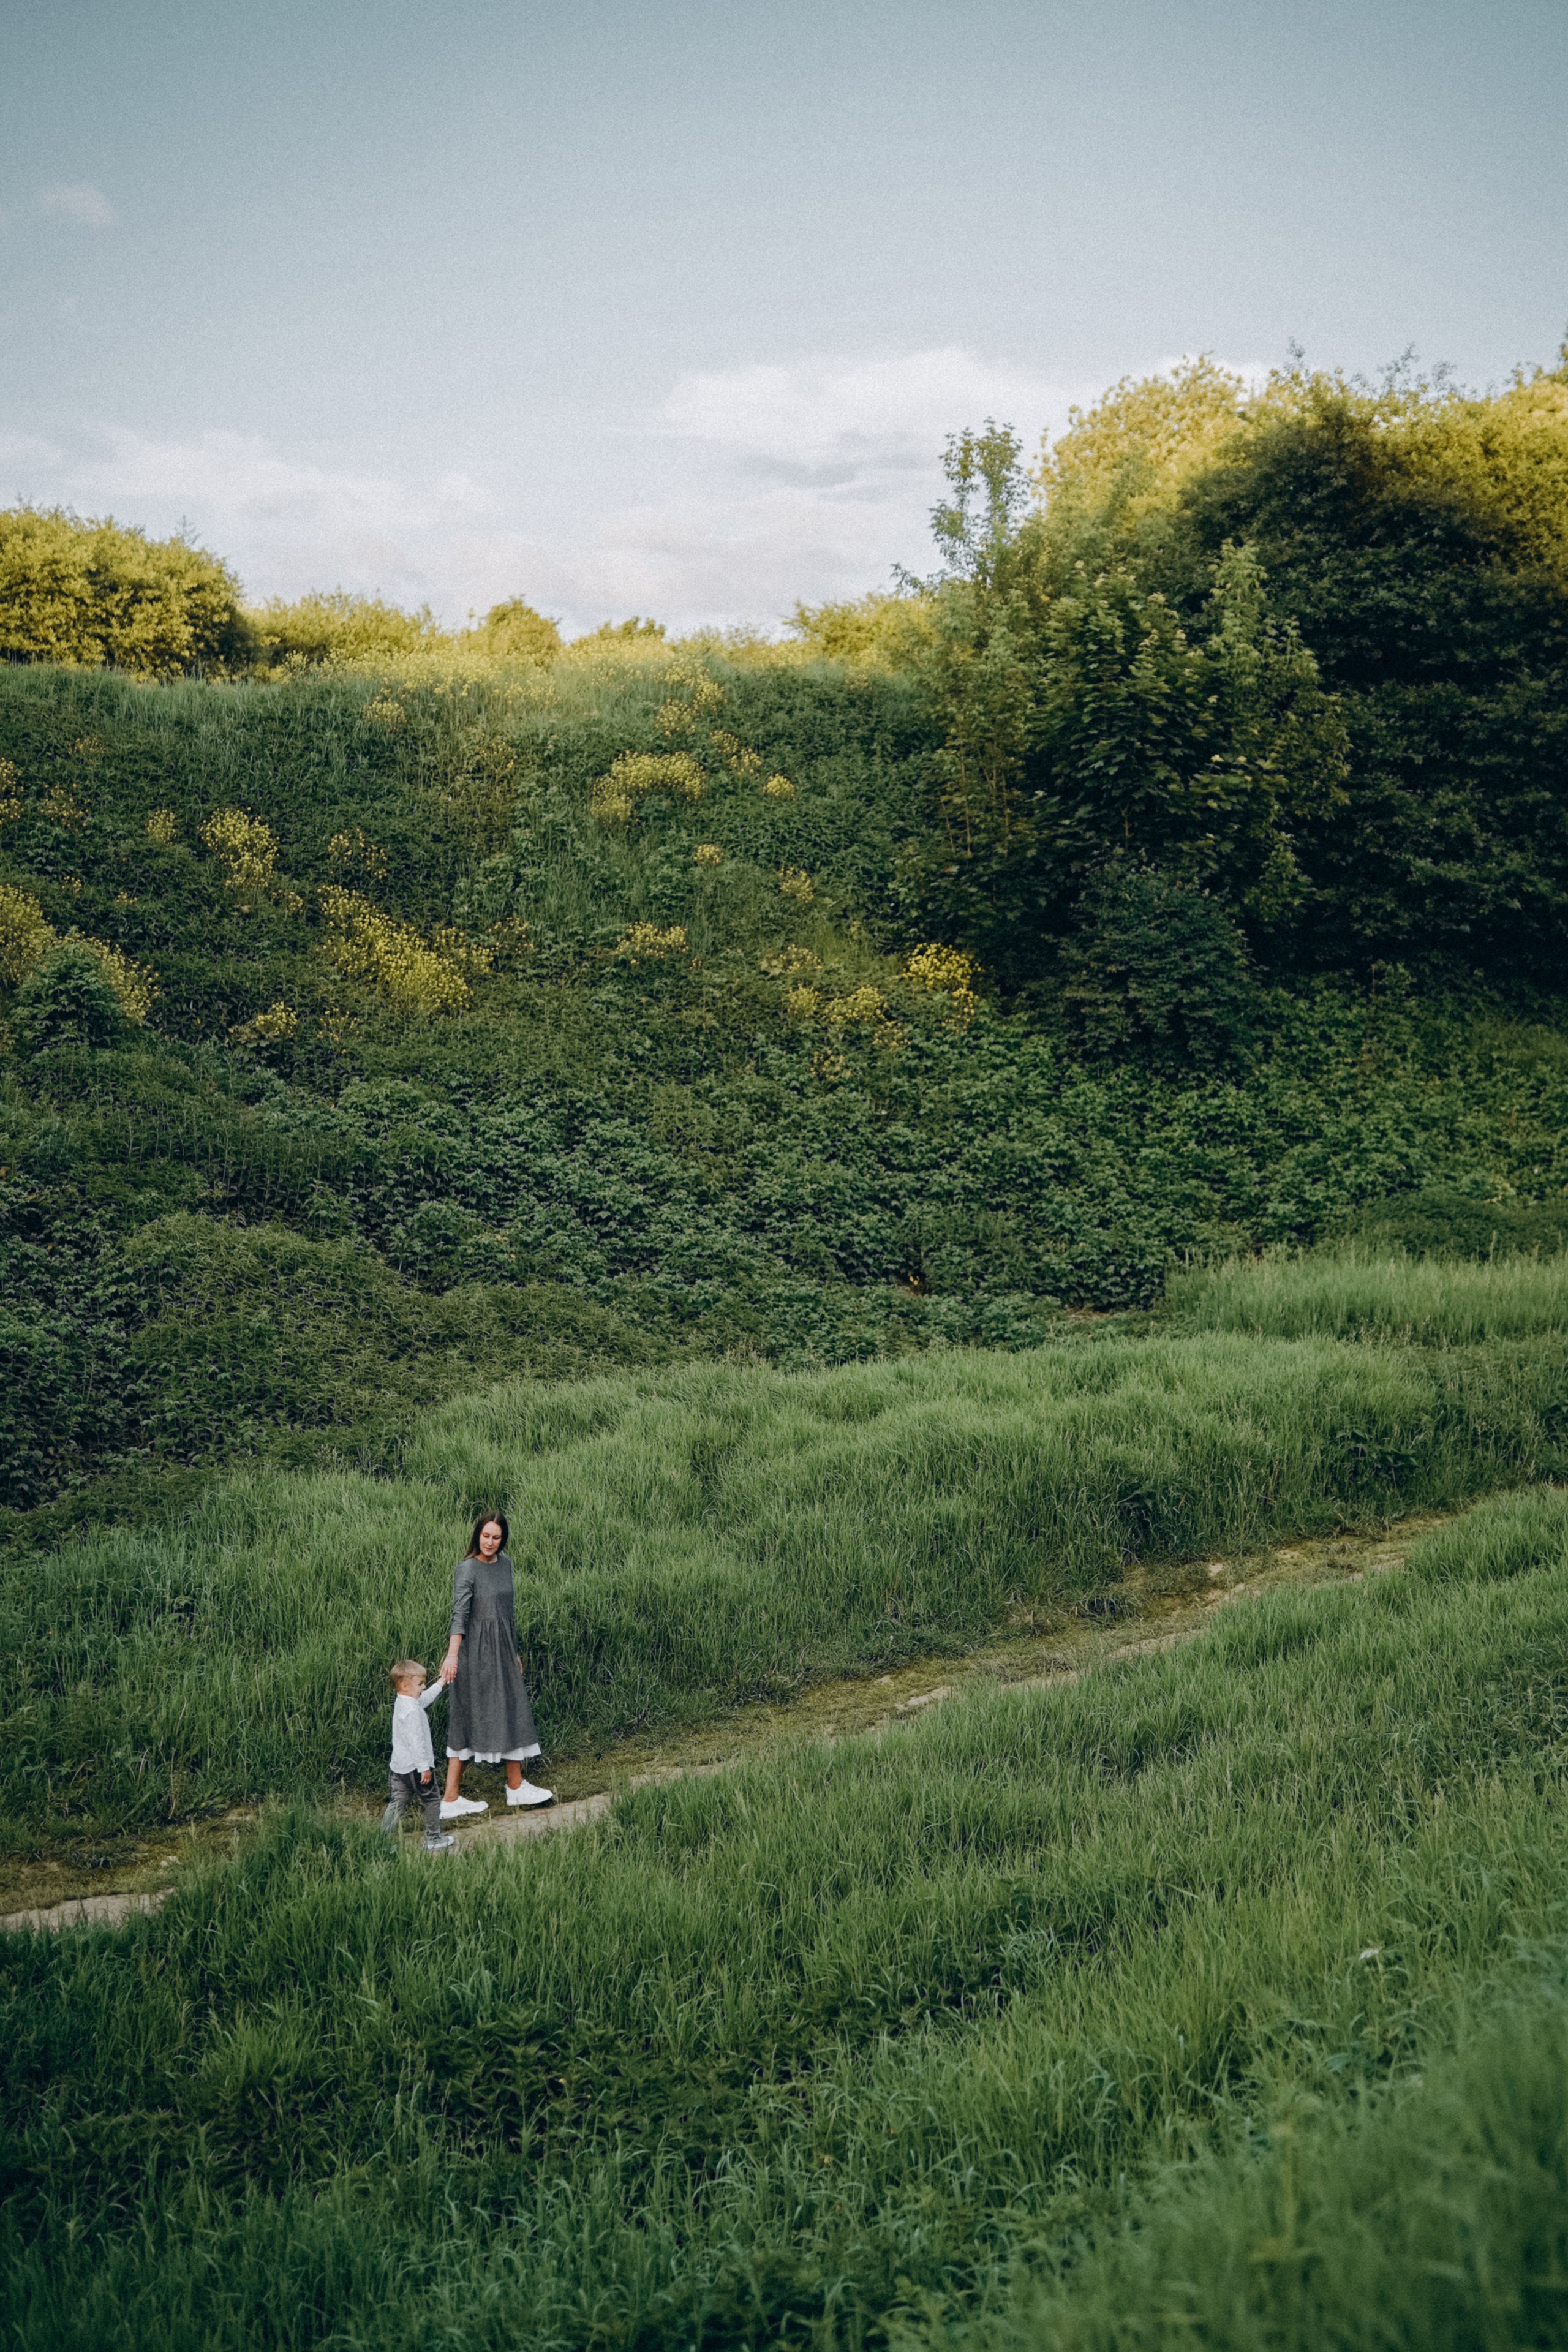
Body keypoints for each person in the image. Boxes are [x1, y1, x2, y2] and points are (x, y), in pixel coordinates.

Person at [439, 1512, 554, 1819]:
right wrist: (453, 1656)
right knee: (467, 1716)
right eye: (486, 1536)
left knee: (512, 1709)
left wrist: (514, 1652)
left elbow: (509, 1612)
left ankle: (516, 1788)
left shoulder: (507, 1565)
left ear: (504, 1539)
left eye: (496, 1537)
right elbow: (459, 1615)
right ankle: (450, 1799)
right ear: (477, 1535)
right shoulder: (466, 1569)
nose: (490, 1542)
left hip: (503, 1650)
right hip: (474, 1652)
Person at [383, 1659, 457, 1851]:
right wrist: (424, 1768)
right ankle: (433, 1838)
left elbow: (423, 1700)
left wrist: (441, 1683)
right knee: (432, 1800)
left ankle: (383, 1840)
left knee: (397, 1802)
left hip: (398, 1767)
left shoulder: (404, 1701)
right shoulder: (412, 1712)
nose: (424, 1687)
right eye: (421, 1684)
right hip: (416, 1768)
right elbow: (417, 1742)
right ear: (405, 1686)